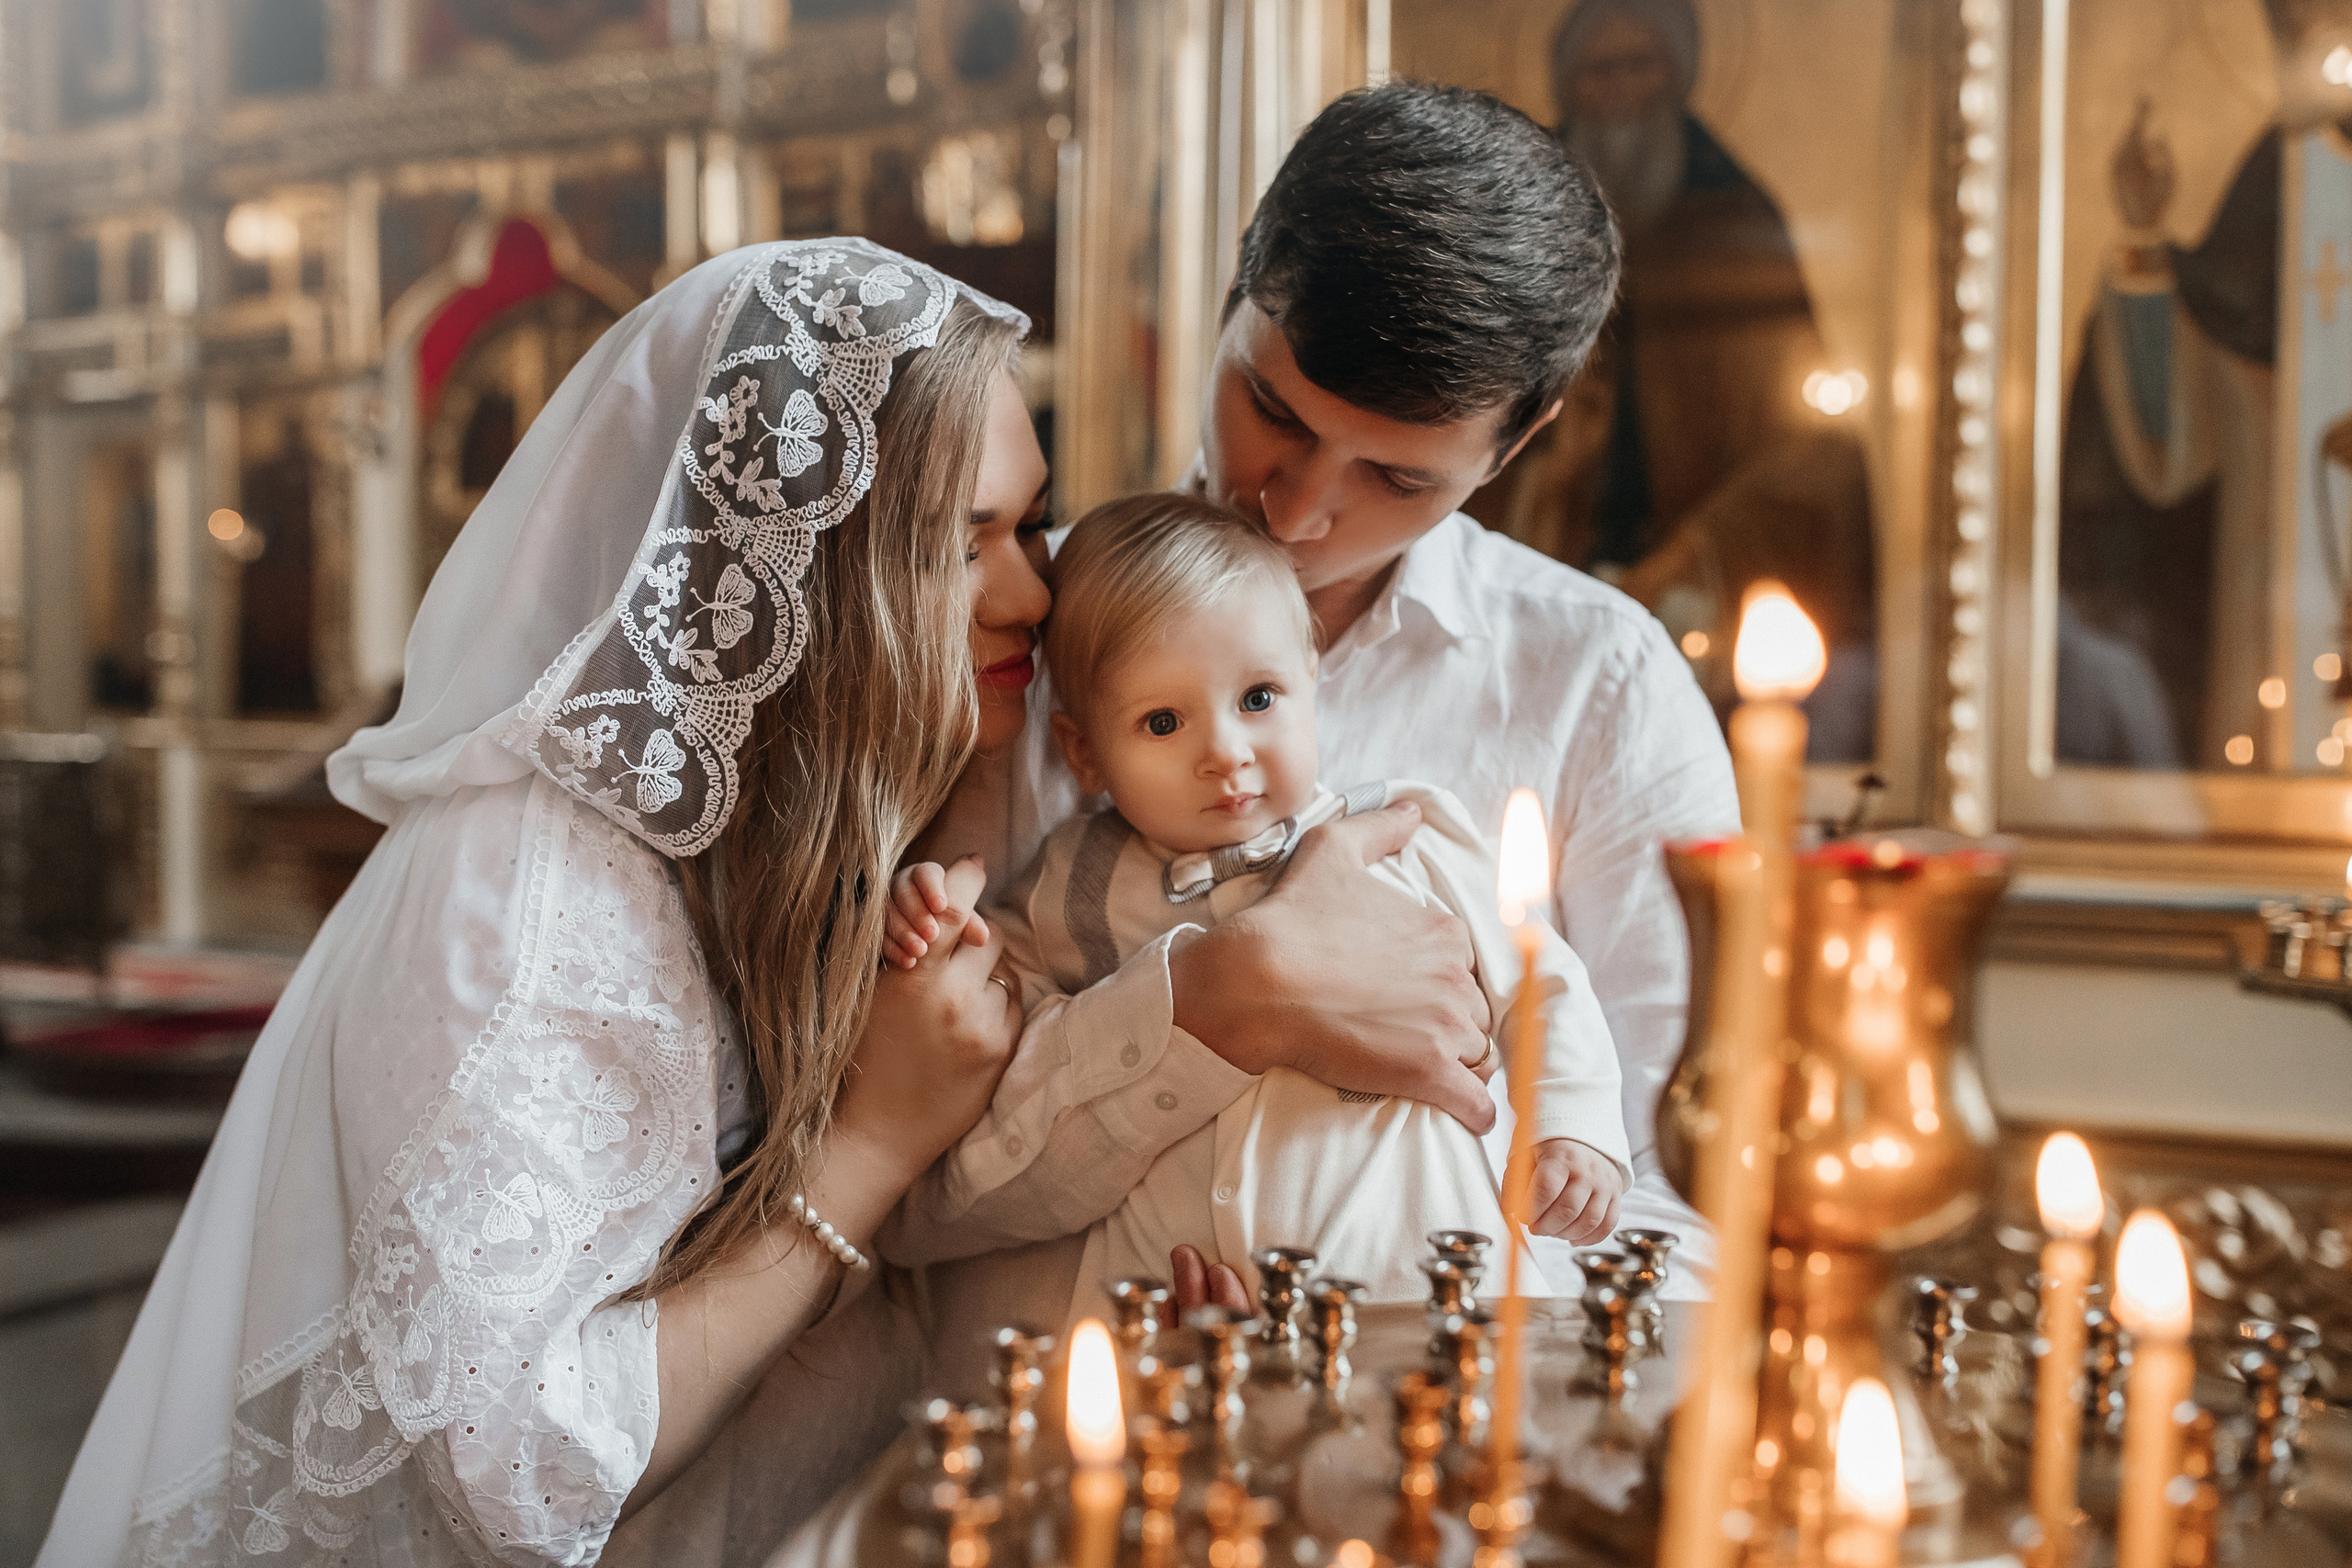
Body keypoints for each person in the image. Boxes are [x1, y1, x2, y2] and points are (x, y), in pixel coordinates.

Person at [38, 240, 1050, 1567]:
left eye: (1030, 522)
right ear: (802, 569)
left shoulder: (747, 811)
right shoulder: (531, 903)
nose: (1034, 588)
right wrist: (871, 1145)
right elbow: (522, 1469)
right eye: (965, 543)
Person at [899, 83, 1742, 1393]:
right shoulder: (1012, 625)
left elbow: (1682, 1199)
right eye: (1274, 412)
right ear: (1232, 297)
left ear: (1522, 438)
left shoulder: (1601, 688)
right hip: (1070, 1424)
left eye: (1397, 476)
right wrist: (1215, 1009)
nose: (1296, 512)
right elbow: (903, 1190)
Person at [884, 494, 1631, 1315]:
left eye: (1259, 697)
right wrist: (930, 921)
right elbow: (995, 1030)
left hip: (1425, 1285)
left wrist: (1574, 1128)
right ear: (1084, 752)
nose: (1225, 754)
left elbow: (1542, 980)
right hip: (1194, 1315)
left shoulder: (1404, 836)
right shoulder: (1076, 881)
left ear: (1313, 681)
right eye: (1163, 721)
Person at [1473, 0, 1878, 761]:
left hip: (1696, 602)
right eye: (1602, 70)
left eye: (1642, 66)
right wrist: (1547, 478)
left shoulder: (1736, 226)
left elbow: (1810, 448)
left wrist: (1694, 550)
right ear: (1567, 84)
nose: (1623, 90)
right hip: (1532, 580)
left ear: (1683, 77)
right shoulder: (1510, 232)